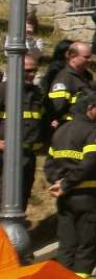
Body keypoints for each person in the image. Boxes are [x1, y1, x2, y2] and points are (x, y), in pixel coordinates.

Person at [43, 90, 96, 277]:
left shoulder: (60, 131)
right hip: (86, 197)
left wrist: (59, 183)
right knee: (86, 246)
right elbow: (89, 163)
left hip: (64, 199)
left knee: (66, 245)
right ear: (90, 109)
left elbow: (49, 165)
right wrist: (66, 184)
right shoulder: (92, 131)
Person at [0, 54, 46, 211]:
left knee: (22, 195)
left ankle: (15, 232)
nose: (32, 74)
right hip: (4, 156)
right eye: (27, 71)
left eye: (34, 71)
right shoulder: (3, 90)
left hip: (27, 156)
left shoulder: (38, 94)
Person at [47, 42, 95, 126]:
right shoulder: (64, 78)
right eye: (86, 57)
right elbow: (57, 107)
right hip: (70, 125)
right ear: (73, 56)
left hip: (86, 124)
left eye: (90, 57)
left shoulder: (87, 76)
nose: (90, 60)